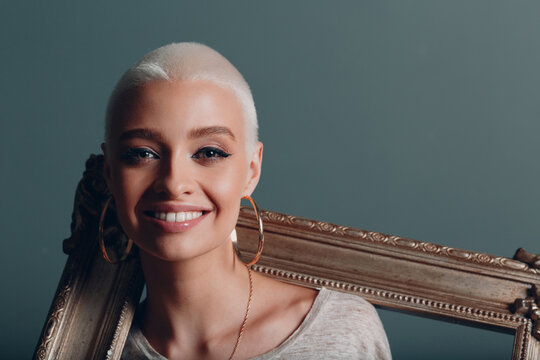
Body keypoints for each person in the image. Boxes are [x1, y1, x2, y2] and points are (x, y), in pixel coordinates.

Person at [101, 42, 391, 360]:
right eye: (142, 153)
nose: (173, 183)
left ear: (252, 171)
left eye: (210, 152)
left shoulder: (341, 334)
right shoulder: (86, 345)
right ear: (110, 173)